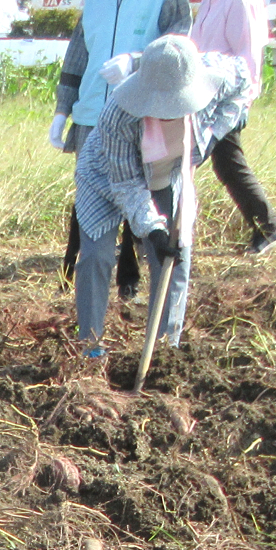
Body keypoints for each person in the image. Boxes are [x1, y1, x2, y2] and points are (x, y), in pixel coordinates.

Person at [71, 36, 249, 355]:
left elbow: (244, 84)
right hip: (105, 176)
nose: (169, 111)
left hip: (167, 175)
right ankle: (90, 346)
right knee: (97, 256)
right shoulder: (118, 115)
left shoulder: (218, 77)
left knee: (173, 259)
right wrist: (152, 229)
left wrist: (213, 133)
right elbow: (126, 185)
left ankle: (164, 350)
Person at [49, 0, 192, 296]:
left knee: (137, 193)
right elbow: (77, 55)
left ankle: (129, 274)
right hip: (90, 116)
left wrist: (136, 62)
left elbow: (180, 45)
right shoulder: (94, 4)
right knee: (90, 197)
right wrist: (63, 109)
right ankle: (74, 276)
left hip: (140, 114)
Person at [189, 0, 276, 254]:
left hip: (226, 100)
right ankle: (268, 228)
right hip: (201, 98)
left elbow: (249, 55)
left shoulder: (239, 3)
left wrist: (243, 103)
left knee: (208, 163)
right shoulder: (208, 3)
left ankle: (268, 229)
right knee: (223, 163)